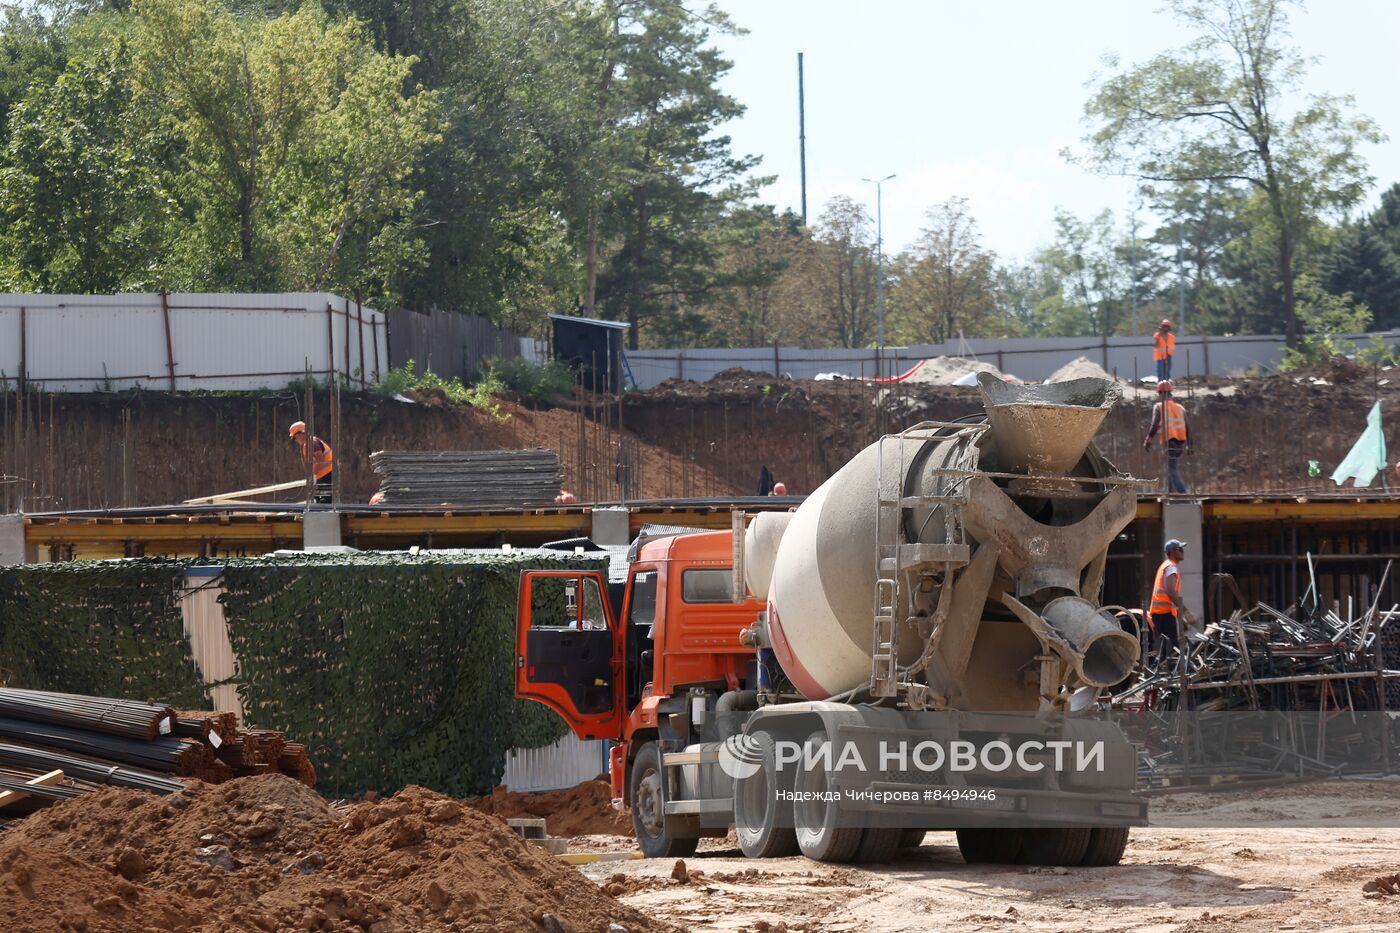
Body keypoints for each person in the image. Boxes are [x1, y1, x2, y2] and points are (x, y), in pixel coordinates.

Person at [1143, 380, 1189, 494]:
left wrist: (1148, 439)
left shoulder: (1159, 406)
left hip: (1170, 441)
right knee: (1170, 466)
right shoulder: (1180, 407)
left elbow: (1154, 424)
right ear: (1170, 392)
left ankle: (1183, 493)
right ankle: (1169, 491)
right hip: (1181, 443)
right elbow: (1188, 427)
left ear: (1160, 393)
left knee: (1172, 468)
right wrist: (1190, 445)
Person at [1149, 539, 1188, 657]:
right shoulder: (1171, 567)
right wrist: (1183, 610)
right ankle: (1171, 672)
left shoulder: (1165, 566)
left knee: (1165, 648)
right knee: (1173, 647)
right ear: (1171, 552)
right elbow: (1170, 590)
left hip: (1160, 613)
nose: (1182, 551)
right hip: (1164, 614)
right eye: (1179, 549)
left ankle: (1163, 670)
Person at [288, 421, 334, 503]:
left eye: (294, 437)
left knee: (325, 502)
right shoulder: (309, 442)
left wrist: (313, 475)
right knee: (321, 500)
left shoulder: (311, 443)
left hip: (326, 476)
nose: (295, 440)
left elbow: (320, 459)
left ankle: (324, 515)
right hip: (324, 475)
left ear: (300, 434)